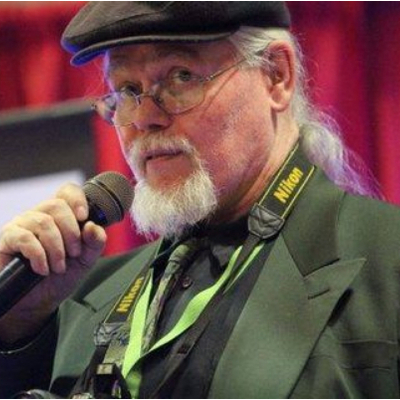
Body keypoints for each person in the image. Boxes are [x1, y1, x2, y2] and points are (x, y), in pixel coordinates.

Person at [0, 1, 399, 398]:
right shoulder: (73, 300)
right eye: (127, 90)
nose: (145, 118)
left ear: (276, 75)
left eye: (181, 76)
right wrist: (19, 326)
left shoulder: (388, 261)